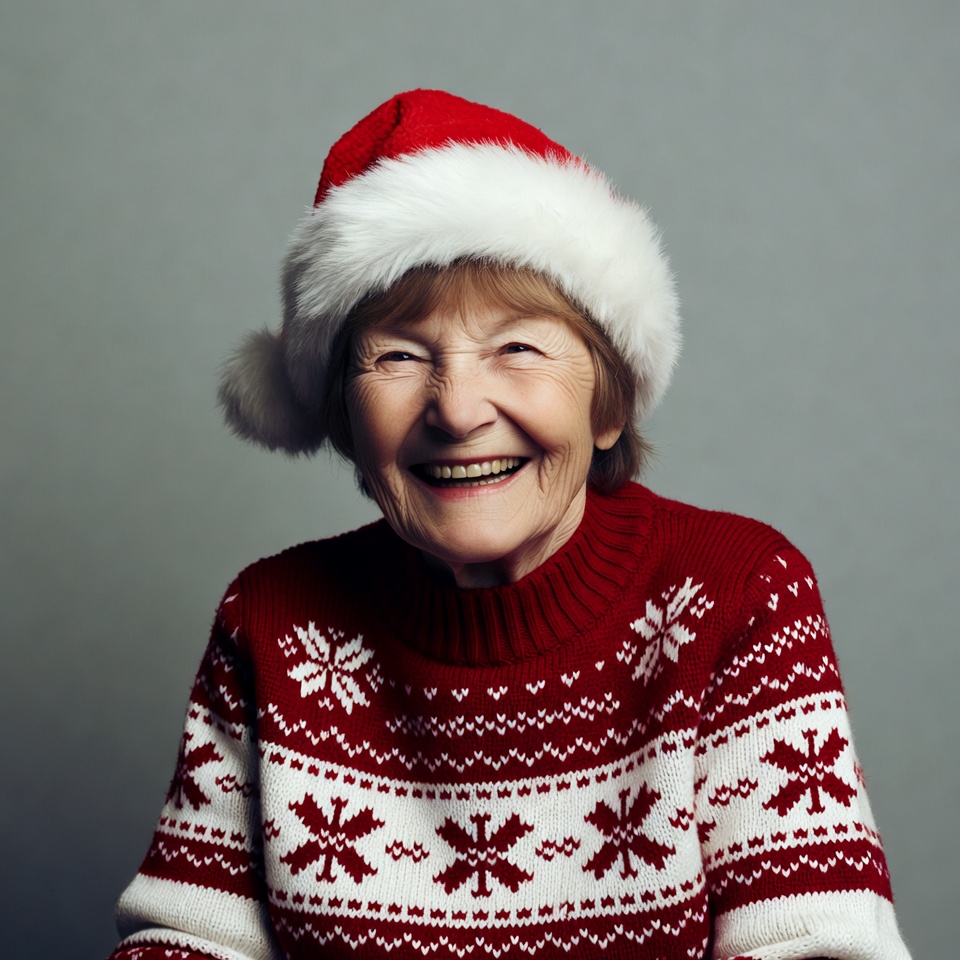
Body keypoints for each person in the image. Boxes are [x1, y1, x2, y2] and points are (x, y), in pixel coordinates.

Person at [108, 90, 911, 960]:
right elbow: (187, 942)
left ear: (609, 403)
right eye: (399, 355)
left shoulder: (738, 593)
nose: (457, 411)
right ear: (344, 415)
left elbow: (817, 947)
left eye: (517, 348)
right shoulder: (271, 622)